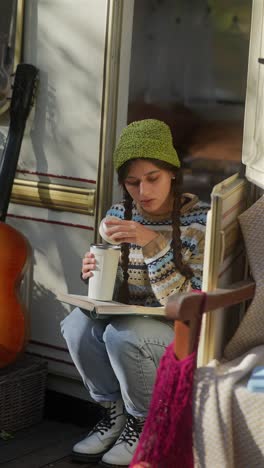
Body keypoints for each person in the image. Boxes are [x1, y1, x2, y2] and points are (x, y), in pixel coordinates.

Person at [61, 119, 208, 467]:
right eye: (132, 182)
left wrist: (152, 243)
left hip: (177, 330)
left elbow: (188, 302)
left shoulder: (200, 222)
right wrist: (95, 273)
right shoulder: (118, 215)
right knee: (75, 326)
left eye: (152, 178)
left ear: (172, 172)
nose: (143, 191)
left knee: (121, 336)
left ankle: (144, 424)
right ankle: (115, 416)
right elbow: (117, 289)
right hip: (127, 323)